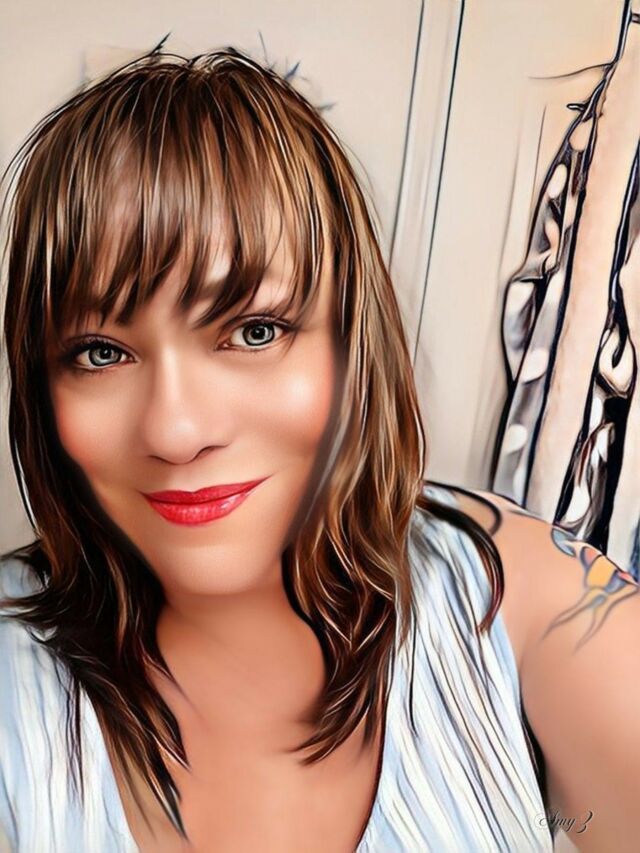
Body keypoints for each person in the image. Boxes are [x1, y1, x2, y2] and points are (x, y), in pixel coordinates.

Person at [0, 45, 638, 853]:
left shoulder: (522, 599)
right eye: (101, 352)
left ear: (350, 344)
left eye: (253, 331)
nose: (175, 430)